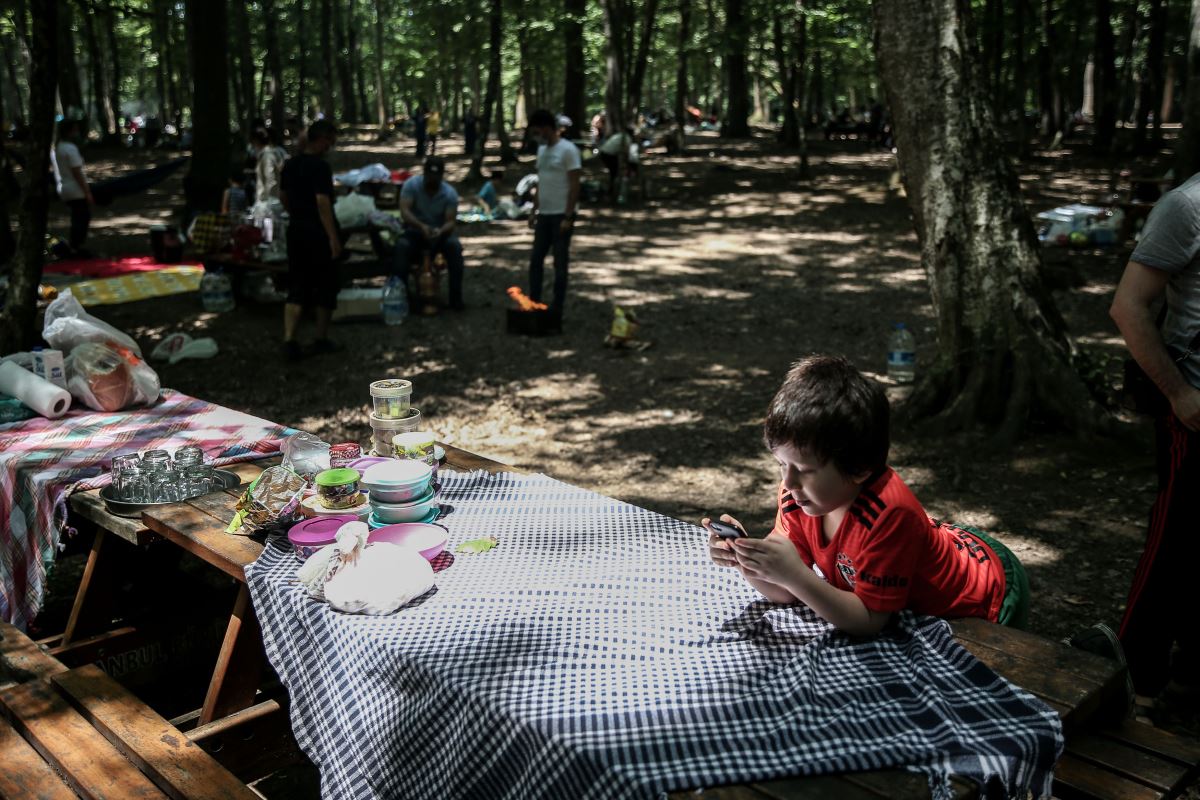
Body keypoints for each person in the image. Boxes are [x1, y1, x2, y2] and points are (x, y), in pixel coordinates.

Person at [703, 355, 1030, 637]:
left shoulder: (889, 515)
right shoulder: (798, 496)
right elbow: (784, 594)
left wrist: (795, 576)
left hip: (989, 590)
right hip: (935, 547)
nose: (788, 481)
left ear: (860, 468)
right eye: (781, 464)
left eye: (806, 469)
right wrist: (749, 563)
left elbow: (868, 620)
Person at [1109, 172, 1200, 704]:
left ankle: (1191, 671)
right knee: (1174, 544)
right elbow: (1127, 307)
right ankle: (1134, 677)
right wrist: (1179, 394)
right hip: (1193, 413)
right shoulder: (1185, 207)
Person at [279, 119, 342, 361]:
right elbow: (323, 203)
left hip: (296, 230)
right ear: (321, 139)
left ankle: (289, 339)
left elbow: (283, 196)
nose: (332, 145)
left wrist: (296, 213)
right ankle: (320, 338)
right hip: (317, 233)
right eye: (331, 140)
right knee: (326, 283)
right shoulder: (320, 167)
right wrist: (333, 238)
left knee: (297, 284)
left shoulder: (290, 165)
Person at [526, 108, 581, 316]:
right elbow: (541, 180)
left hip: (561, 215)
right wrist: (534, 209)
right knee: (536, 260)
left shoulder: (568, 150)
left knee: (560, 262)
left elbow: (575, 184)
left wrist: (569, 215)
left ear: (547, 128)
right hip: (545, 214)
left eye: (537, 132)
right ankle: (534, 303)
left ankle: (557, 307)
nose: (536, 136)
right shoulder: (542, 151)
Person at [393, 155, 465, 310]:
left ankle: (455, 298)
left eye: (436, 178)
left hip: (439, 233)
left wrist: (440, 231)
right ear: (424, 174)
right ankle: (403, 297)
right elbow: (404, 211)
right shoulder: (411, 186)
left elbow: (450, 221)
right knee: (401, 247)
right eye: (429, 177)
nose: (432, 182)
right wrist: (421, 226)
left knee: (455, 247)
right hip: (415, 231)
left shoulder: (449, 194)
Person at [51, 119, 93, 255]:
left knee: (78, 216)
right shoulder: (69, 148)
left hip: (64, 187)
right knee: (82, 217)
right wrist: (87, 192)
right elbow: (77, 172)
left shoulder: (59, 147)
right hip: (75, 188)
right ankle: (75, 246)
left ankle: (74, 245)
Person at [598, 128, 639, 198]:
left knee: (614, 172)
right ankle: (613, 190)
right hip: (608, 154)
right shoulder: (627, 138)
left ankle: (613, 189)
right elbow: (627, 153)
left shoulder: (619, 135)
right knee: (614, 172)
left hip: (605, 153)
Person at [252, 128, 288, 205]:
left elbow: (272, 180)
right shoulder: (265, 155)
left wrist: (269, 203)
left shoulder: (268, 155)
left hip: (268, 204)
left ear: (256, 141)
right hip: (266, 202)